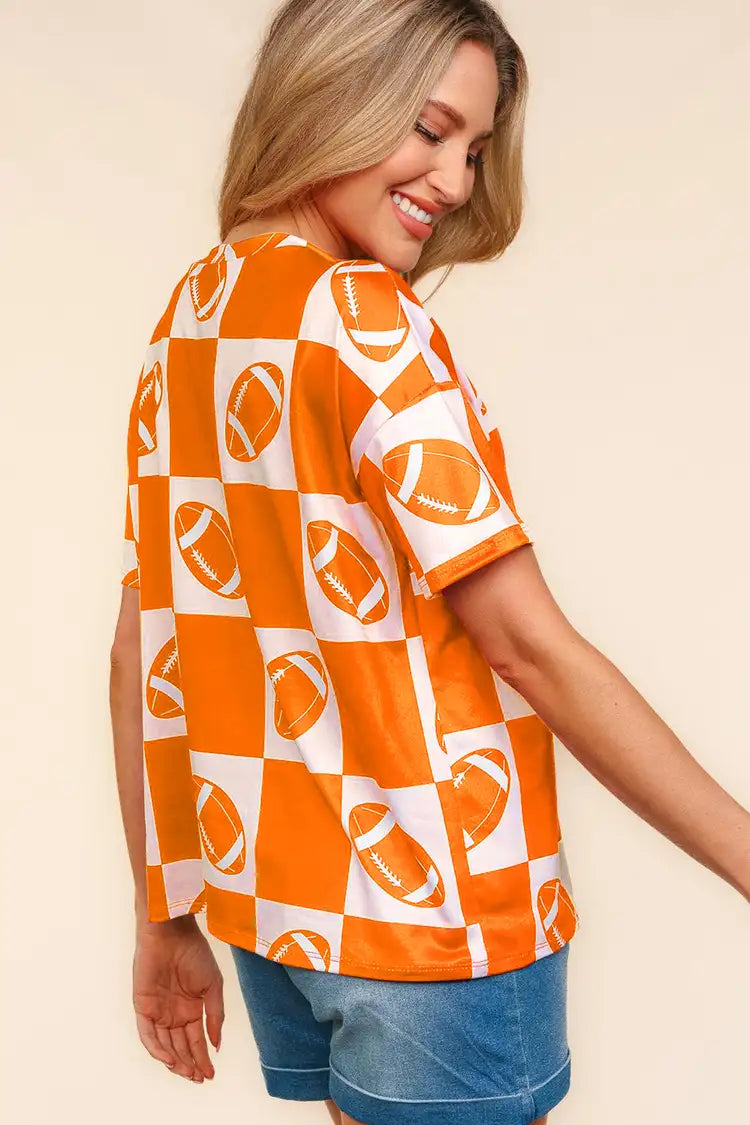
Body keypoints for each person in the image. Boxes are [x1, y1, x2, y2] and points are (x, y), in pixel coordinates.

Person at [108, 2, 750, 1123]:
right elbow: (528, 646)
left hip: (280, 907)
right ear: (331, 92)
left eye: (476, 150)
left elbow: (142, 647)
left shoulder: (189, 322)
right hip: (434, 918)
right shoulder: (365, 321)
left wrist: (162, 913)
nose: (455, 183)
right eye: (430, 128)